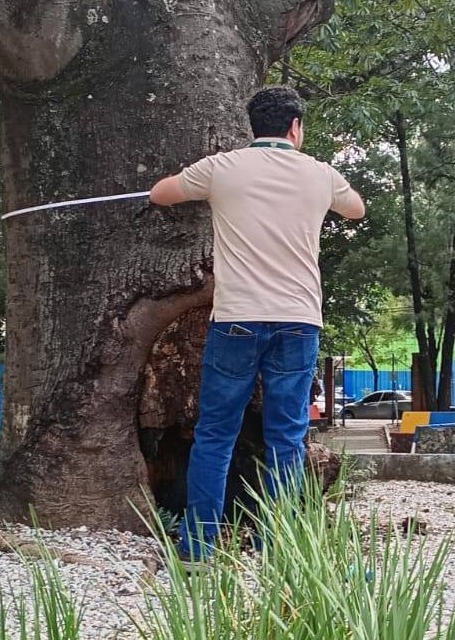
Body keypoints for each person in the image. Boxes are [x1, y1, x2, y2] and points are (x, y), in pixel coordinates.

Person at [150, 86, 365, 564]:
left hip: (236, 320)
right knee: (287, 438)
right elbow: (357, 208)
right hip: (298, 321)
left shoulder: (222, 168)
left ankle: (198, 548)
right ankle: (280, 548)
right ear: (295, 127)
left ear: (254, 126)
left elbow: (162, 194)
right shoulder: (320, 174)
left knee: (214, 435)